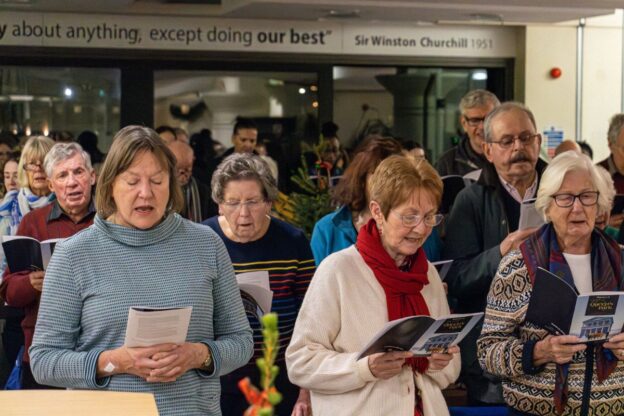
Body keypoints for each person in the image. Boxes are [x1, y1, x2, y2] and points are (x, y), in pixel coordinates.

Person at [29, 126, 253, 416]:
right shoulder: (74, 255)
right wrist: (114, 362)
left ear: (172, 184)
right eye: (132, 181)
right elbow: (44, 361)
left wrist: (199, 355)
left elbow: (241, 341)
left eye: (157, 181)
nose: (146, 193)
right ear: (109, 184)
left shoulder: (206, 244)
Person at [287, 155, 460, 416]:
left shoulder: (429, 275)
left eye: (429, 217)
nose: (421, 229)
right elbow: (300, 362)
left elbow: (451, 367)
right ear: (378, 211)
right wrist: (363, 368)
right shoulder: (338, 270)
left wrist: (440, 362)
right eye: (409, 217)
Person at [478, 150, 624, 415]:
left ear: (599, 203)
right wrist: (538, 352)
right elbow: (488, 352)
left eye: (587, 196)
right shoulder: (518, 266)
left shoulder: (621, 260)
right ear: (547, 206)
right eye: (565, 198)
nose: (577, 207)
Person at [443, 102, 547, 406]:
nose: (519, 147)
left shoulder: (560, 192)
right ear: (488, 151)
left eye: (526, 138)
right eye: (507, 141)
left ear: (538, 141)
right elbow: (458, 280)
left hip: (554, 353)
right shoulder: (471, 199)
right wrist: (502, 251)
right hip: (493, 360)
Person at [203, 153, 315, 416]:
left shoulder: (293, 241)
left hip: (281, 380)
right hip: (219, 381)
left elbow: (312, 319)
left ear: (269, 203)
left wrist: (305, 390)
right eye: (232, 202)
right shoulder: (204, 240)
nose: (243, 213)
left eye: (253, 202)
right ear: (219, 204)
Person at [0, 142, 96, 389]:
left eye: (78, 172)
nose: (72, 182)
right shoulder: (33, 222)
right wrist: (31, 283)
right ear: (52, 185)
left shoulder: (109, 219)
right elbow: (9, 292)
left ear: (92, 176)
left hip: (97, 346)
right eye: (62, 175)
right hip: (43, 348)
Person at [310, 135, 403, 265]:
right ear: (361, 178)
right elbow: (317, 284)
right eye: (377, 174)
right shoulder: (327, 229)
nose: (387, 183)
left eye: (394, 176)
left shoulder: (415, 227)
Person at [0, 135, 55, 239]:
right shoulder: (8, 208)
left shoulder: (66, 205)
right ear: (24, 169)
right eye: (32, 163)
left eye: (44, 162)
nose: (38, 169)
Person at [435, 89, 500, 177]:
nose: (482, 127)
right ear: (464, 123)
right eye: (475, 120)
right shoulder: (447, 164)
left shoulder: (511, 157)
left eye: (488, 119)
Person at [167, 140, 217, 222]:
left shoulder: (203, 190)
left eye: (187, 169)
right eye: (178, 170)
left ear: (193, 160)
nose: (183, 175)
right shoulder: (157, 189)